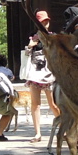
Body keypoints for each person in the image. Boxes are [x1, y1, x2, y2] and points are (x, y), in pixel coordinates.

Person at [25, 10, 61, 144]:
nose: (46, 24)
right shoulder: (32, 37)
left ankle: (65, 126)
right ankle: (37, 133)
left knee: (53, 104)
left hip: (48, 73)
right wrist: (30, 45)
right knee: (35, 104)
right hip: (35, 72)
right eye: (42, 22)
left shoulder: (52, 36)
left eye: (47, 21)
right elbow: (26, 53)